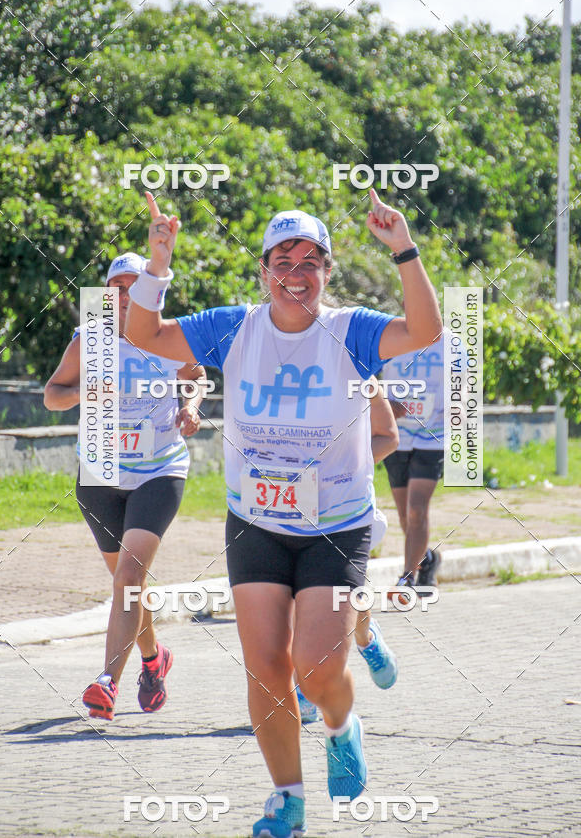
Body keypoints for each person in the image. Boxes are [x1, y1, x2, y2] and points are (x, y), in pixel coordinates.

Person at [126, 189, 442, 837]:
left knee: (318, 670)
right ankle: (287, 801)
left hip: (335, 523)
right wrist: (158, 263)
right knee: (268, 670)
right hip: (255, 523)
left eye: (310, 263)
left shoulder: (351, 330)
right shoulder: (233, 326)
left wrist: (404, 249)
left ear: (327, 272)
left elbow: (426, 331)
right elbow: (144, 335)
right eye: (283, 261)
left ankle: (340, 724)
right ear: (264, 270)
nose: (295, 275)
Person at [44, 252, 207, 721]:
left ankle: (107, 682)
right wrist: (84, 392)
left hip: (159, 470)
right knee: (127, 585)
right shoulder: (89, 338)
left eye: (133, 287)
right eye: (115, 287)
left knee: (130, 579)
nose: (122, 296)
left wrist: (190, 407)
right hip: (99, 475)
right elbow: (52, 395)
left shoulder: (166, 335)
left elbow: (195, 377)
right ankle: (155, 659)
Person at [296, 380, 400, 725]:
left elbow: (389, 437)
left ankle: (367, 639)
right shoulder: (271, 366)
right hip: (289, 504)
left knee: (344, 592)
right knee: (299, 596)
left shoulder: (357, 376)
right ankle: (306, 687)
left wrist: (343, 463)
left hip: (345, 508)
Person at [381, 332, 446, 594]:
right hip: (396, 436)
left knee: (417, 510)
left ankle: (407, 577)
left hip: (434, 435)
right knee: (406, 515)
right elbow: (366, 378)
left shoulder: (450, 343)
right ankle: (427, 559)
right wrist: (384, 404)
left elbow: (465, 383)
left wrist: (461, 408)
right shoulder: (388, 335)